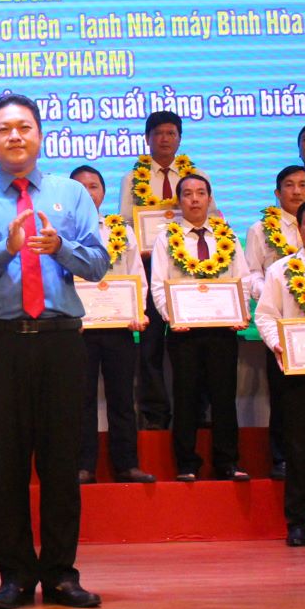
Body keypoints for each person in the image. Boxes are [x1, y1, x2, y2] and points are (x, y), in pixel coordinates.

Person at [0, 93, 107, 609]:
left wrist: (62, 248)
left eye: (24, 127)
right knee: (6, 462)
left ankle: (61, 573)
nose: (15, 136)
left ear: (40, 134)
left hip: (60, 340)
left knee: (61, 462)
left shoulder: (71, 194)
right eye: (3, 129)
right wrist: (5, 250)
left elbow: (99, 264)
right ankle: (14, 575)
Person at [150, 174, 252, 482]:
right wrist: (172, 317)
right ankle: (187, 463)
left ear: (210, 198)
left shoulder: (227, 236)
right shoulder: (166, 238)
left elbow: (243, 280)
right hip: (185, 333)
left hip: (222, 329)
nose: (194, 199)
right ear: (179, 202)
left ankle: (227, 462)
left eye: (200, 193)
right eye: (187, 194)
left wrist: (240, 312)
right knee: (186, 397)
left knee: (224, 397)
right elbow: (158, 285)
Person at [119, 111, 216, 431]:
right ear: (147, 139)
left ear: (180, 138)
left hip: (189, 272)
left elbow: (212, 221)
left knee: (192, 345)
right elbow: (127, 225)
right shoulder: (133, 179)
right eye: (158, 133)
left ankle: (197, 411)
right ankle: (154, 413)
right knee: (150, 346)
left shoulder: (196, 176)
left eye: (171, 133)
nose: (164, 138)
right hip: (148, 269)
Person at [254, 198, 305, 547]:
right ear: (299, 228)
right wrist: (278, 345)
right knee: (300, 450)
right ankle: (299, 522)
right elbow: (265, 316)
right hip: (298, 374)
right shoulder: (280, 270)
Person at [69, 166, 155, 485]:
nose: (88, 193)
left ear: (103, 193)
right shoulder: (59, 233)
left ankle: (127, 464)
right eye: (81, 187)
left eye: (94, 186)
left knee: (122, 397)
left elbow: (137, 276)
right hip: (78, 329)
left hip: (119, 325)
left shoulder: (122, 230)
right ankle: (83, 465)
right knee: (82, 399)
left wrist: (138, 311)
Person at [245, 165, 305, 480]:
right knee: (284, 397)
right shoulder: (260, 228)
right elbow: (252, 272)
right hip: (283, 324)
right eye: (289, 185)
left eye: (302, 185)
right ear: (277, 192)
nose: (296, 191)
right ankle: (282, 458)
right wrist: (272, 288)